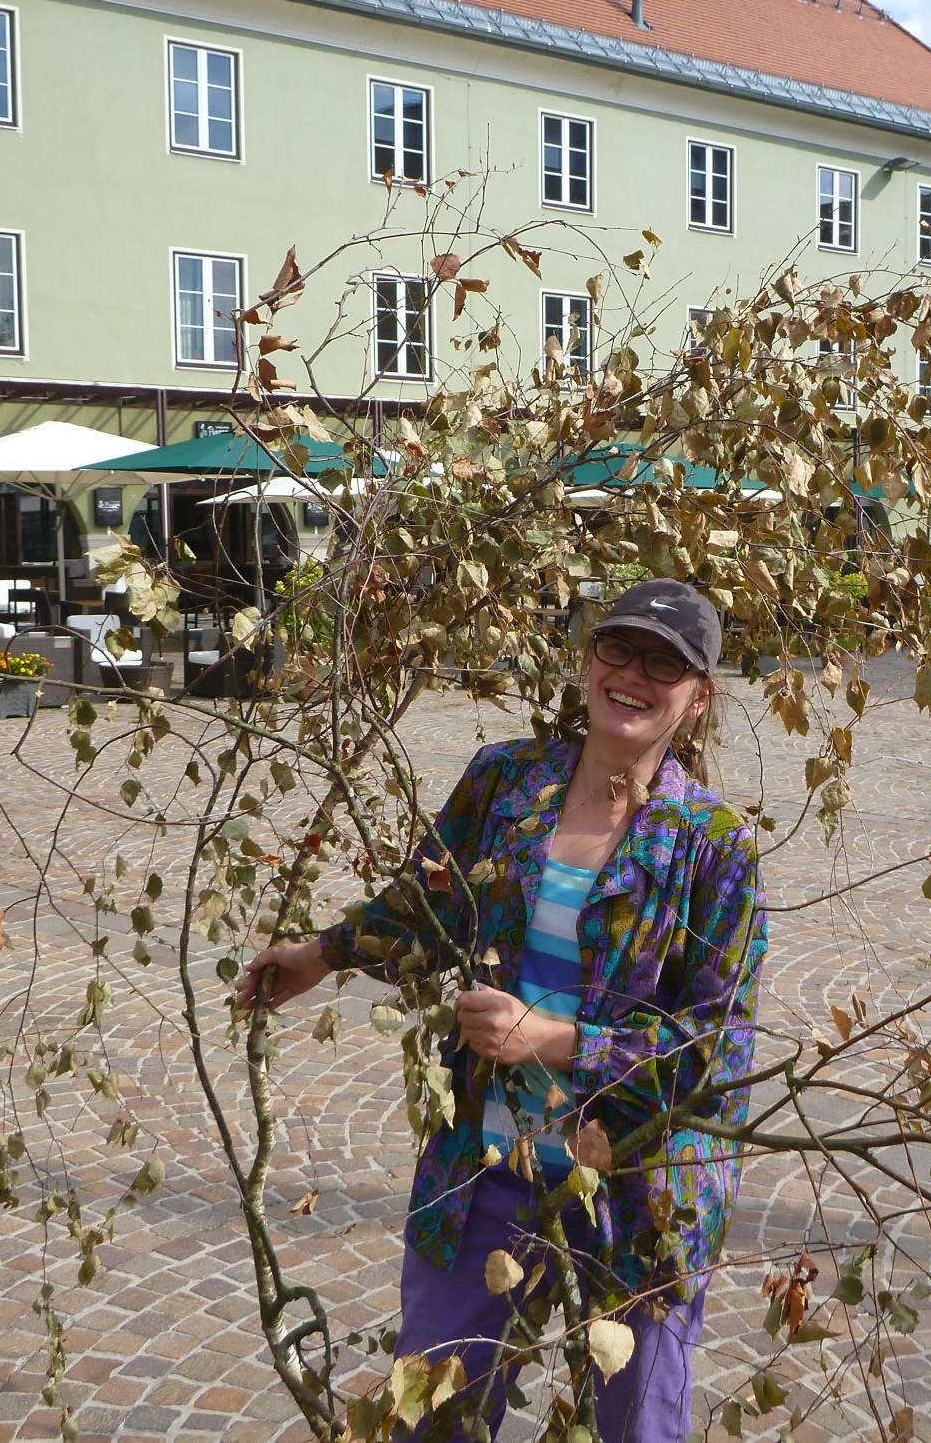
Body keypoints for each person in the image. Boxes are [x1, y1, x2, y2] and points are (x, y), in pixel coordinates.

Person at [238, 579, 767, 1442]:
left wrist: (558, 1041)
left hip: (640, 1190)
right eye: (618, 649)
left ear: (699, 697)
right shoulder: (505, 781)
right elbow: (425, 903)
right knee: (433, 1409)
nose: (634, 675)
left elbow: (718, 1046)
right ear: (587, 659)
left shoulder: (714, 843)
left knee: (636, 1427)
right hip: (485, 1163)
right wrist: (318, 956)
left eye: (666, 665)